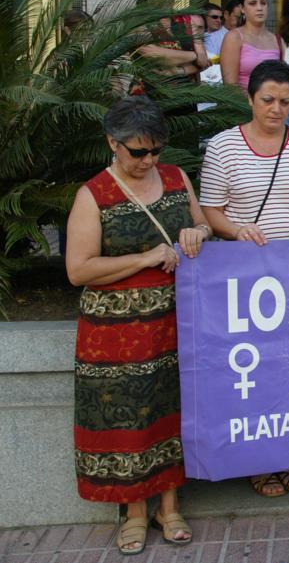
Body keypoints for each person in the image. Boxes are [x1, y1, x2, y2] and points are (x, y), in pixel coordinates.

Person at [66, 96, 209, 554]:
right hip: (116, 336)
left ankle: (169, 506)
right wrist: (146, 257)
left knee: (171, 414)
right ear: (113, 143)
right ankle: (133, 511)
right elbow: (79, 270)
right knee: (129, 422)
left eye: (155, 150)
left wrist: (196, 233)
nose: (149, 160)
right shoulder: (94, 194)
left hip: (174, 324)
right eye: (137, 152)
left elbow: (203, 224)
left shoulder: (174, 177)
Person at [199, 61, 289, 496]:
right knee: (254, 372)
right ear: (250, 99)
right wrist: (237, 230)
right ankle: (259, 460)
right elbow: (210, 212)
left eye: (285, 102)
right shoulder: (222, 147)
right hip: (245, 280)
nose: (276, 109)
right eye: (267, 100)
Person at [133, 0, 208, 91]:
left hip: (187, 97)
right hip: (149, 99)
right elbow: (153, 54)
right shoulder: (136, 21)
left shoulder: (186, 20)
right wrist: (193, 56)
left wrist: (175, 71)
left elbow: (204, 60)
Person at [220, 0, 282, 91]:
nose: (259, 8)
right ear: (242, 8)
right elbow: (230, 87)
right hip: (242, 105)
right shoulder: (234, 37)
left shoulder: (277, 40)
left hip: (273, 105)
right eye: (253, 3)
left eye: (263, 3)